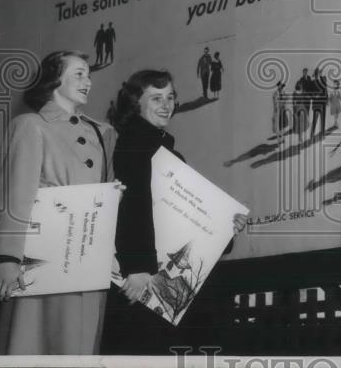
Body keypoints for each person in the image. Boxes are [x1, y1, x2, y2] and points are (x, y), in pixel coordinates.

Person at [101, 69, 246, 354]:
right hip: (144, 278)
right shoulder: (131, 145)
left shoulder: (164, 150)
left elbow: (181, 214)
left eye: (170, 97)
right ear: (135, 104)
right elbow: (132, 207)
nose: (166, 105)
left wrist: (225, 225)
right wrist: (137, 267)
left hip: (163, 279)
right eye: (156, 98)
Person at [0, 50, 117, 355]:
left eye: (88, 74)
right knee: (39, 342)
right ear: (54, 80)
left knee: (81, 344)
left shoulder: (101, 133)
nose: (88, 81)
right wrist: (8, 258)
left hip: (87, 258)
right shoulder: (30, 124)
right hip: (43, 257)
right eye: (79, 74)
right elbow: (15, 194)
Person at [309, 67, 327, 139]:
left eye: (318, 73)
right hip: (316, 104)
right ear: (315, 75)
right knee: (315, 120)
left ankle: (322, 134)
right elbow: (310, 93)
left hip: (323, 103)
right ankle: (312, 134)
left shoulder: (323, 80)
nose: (317, 75)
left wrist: (326, 99)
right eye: (316, 74)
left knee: (323, 120)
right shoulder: (312, 83)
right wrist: (314, 96)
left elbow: (326, 91)